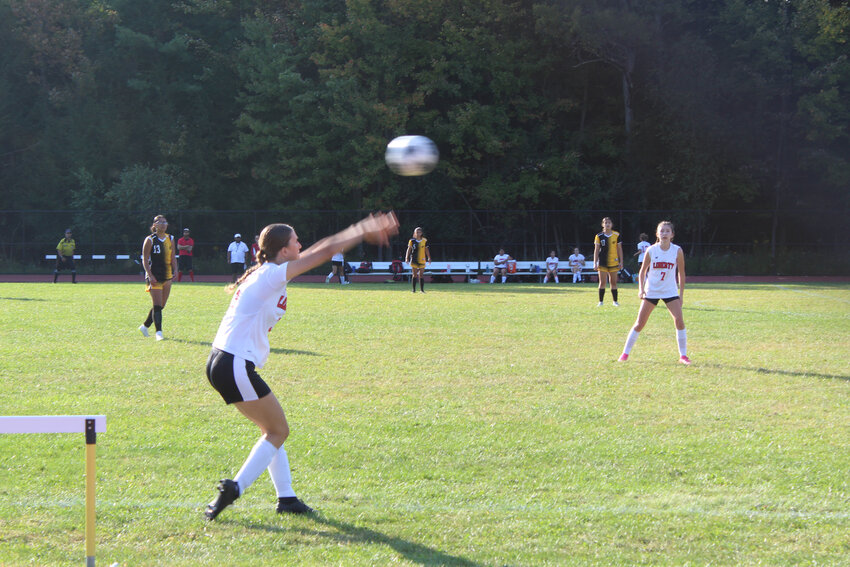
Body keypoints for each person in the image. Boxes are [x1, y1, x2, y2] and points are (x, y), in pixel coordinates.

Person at [204, 212, 399, 521]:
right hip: (234, 363)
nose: (301, 245)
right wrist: (363, 229)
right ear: (284, 250)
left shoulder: (268, 271)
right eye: (296, 242)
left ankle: (287, 499)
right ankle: (235, 487)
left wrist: (356, 232)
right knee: (278, 431)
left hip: (224, 361)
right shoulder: (271, 274)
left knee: (271, 431)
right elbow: (323, 252)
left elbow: (320, 247)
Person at [618, 220, 690, 365]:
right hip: (652, 291)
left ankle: (683, 356)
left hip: (670, 291)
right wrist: (641, 289)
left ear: (672, 235)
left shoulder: (677, 250)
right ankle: (625, 354)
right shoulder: (651, 250)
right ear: (657, 234)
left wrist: (681, 295)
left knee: (679, 321)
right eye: (661, 231)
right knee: (639, 323)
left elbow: (681, 274)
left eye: (667, 231)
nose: (664, 233)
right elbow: (642, 271)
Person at [138, 215, 177, 341]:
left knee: (161, 305)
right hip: (154, 275)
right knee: (157, 305)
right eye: (160, 222)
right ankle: (158, 332)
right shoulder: (150, 240)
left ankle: (145, 326)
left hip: (167, 275)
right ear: (154, 225)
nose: (163, 224)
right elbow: (144, 259)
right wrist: (150, 275)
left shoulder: (170, 238)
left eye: (165, 222)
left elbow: (172, 257)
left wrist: (175, 269)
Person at [593, 217, 623, 306]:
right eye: (605, 223)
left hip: (614, 262)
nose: (607, 224)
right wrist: (595, 262)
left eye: (609, 222)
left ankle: (615, 301)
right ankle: (601, 302)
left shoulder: (616, 235)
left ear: (612, 224)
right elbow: (596, 249)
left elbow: (619, 249)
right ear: (603, 224)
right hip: (602, 262)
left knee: (613, 282)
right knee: (602, 282)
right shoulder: (599, 236)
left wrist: (621, 262)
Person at [405, 227, 431, 293]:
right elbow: (409, 249)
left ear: (421, 233)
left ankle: (422, 290)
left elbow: (426, 249)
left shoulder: (424, 240)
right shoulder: (412, 241)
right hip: (414, 259)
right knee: (414, 275)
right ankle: (413, 290)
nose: (418, 233)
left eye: (419, 232)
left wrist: (429, 257)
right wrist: (406, 257)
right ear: (414, 233)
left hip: (422, 260)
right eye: (417, 232)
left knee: (421, 275)